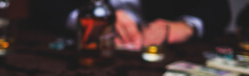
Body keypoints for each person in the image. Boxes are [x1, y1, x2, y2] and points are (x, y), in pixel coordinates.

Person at [31, 0, 230, 50]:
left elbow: (218, 8)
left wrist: (188, 26)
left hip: (161, 51)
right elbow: (43, 6)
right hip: (85, 49)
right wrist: (89, 19)